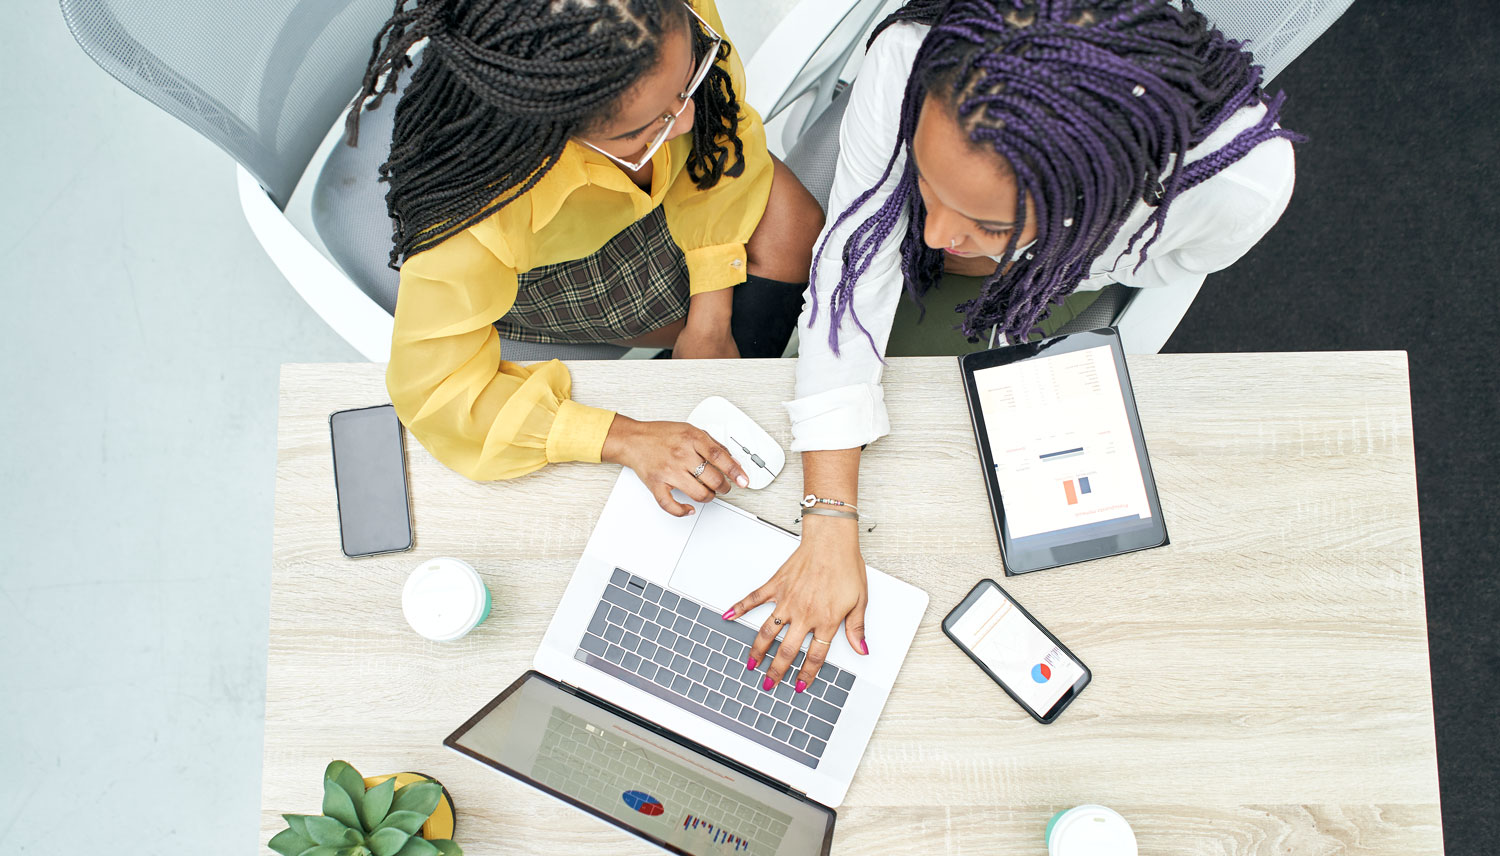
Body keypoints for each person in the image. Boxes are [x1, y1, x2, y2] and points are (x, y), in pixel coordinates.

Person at [723, 0, 1300, 692]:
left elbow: (1160, 271)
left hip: (1050, 282)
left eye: (985, 220)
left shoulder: (1238, 185)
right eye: (928, 186)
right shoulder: (912, 57)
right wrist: (828, 517)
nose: (934, 232)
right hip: (890, 239)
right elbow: (853, 272)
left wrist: (1050, 270)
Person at [346, 0, 823, 512]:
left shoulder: (649, 19)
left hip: (667, 194)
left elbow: (716, 125)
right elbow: (438, 394)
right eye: (642, 129)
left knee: (794, 228)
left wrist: (712, 311)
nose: (685, 120)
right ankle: (674, 434)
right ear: (548, 132)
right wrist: (621, 437)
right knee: (723, 306)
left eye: (686, 81)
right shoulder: (475, 218)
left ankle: (696, 406)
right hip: (553, 264)